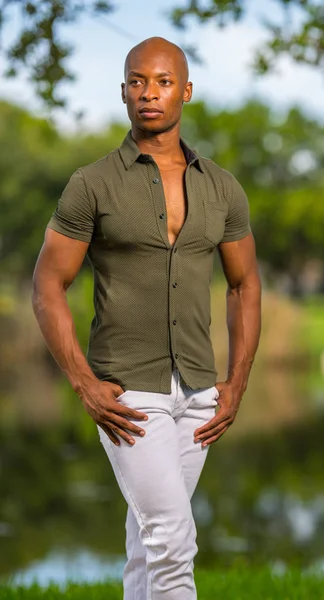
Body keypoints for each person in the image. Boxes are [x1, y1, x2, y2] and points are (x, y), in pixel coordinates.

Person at [31, 36, 262, 600]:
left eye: (162, 82)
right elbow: (46, 284)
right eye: (137, 81)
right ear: (123, 92)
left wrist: (236, 382)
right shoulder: (92, 184)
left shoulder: (223, 188)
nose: (148, 93)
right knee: (173, 540)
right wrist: (83, 382)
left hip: (200, 396)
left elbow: (244, 284)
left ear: (185, 91)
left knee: (149, 543)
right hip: (129, 394)